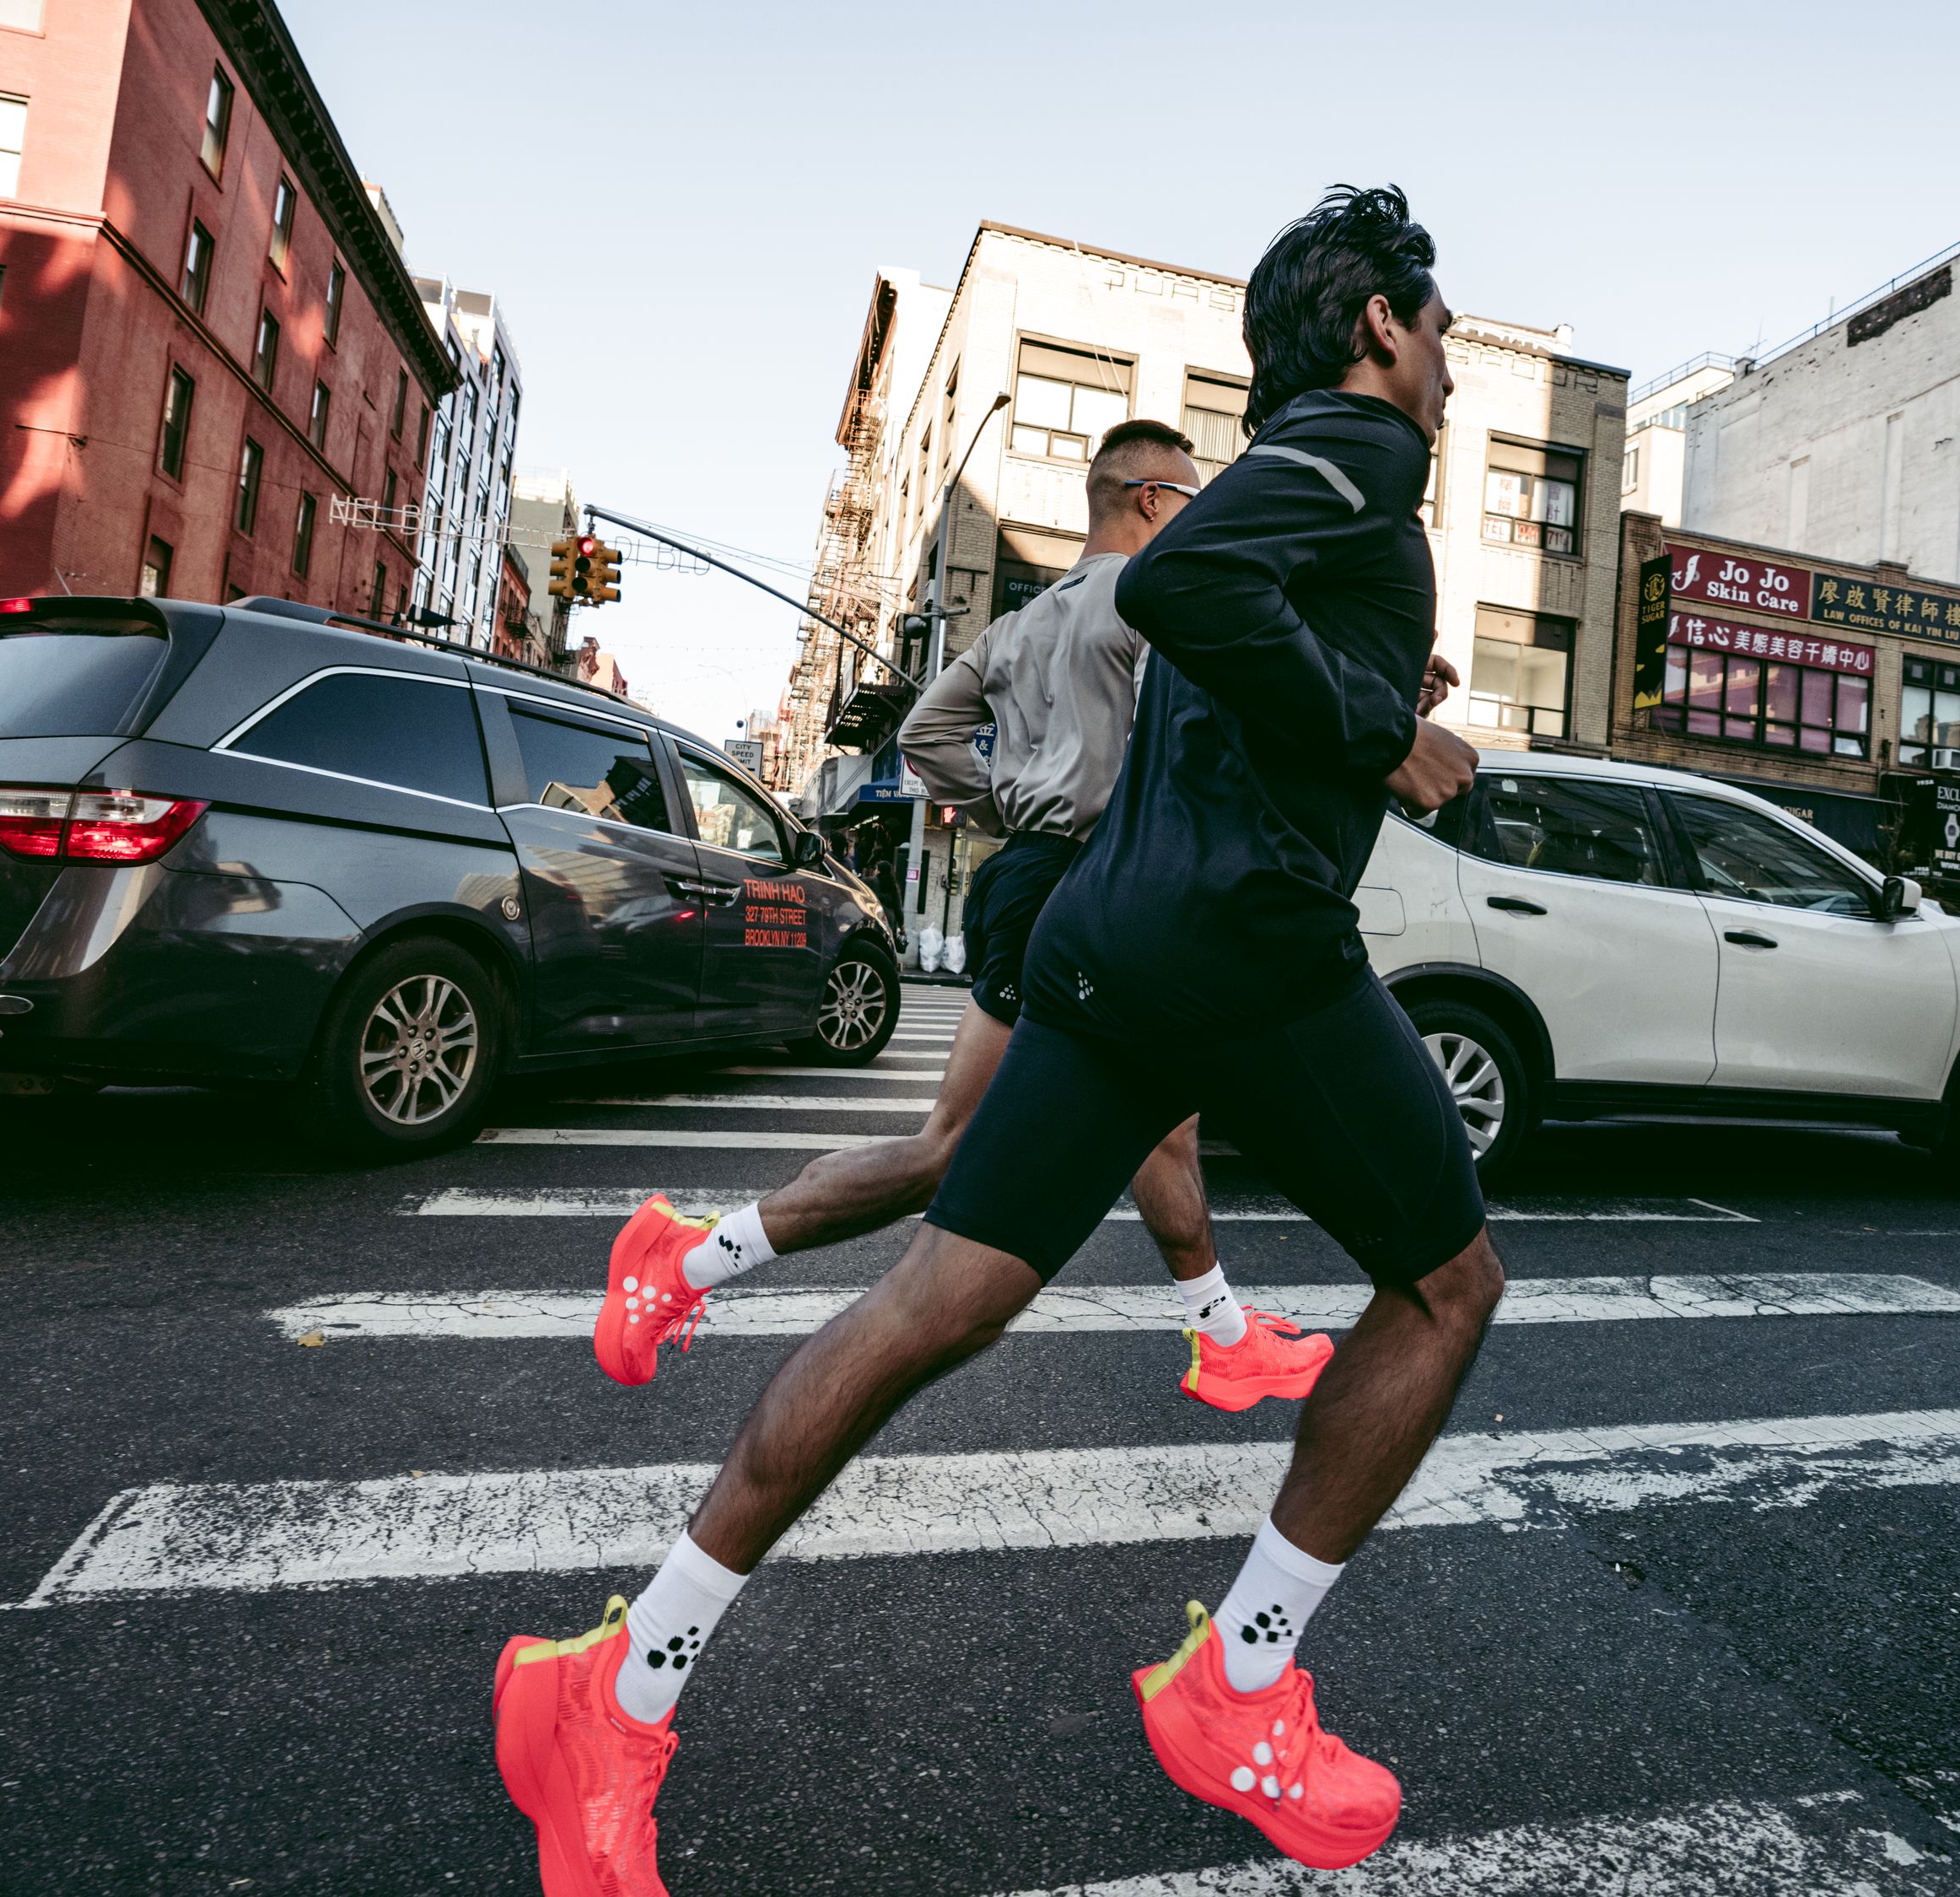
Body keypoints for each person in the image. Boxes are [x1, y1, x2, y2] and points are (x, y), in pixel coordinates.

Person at [495, 186, 1493, 1890]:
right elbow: (1185, 584)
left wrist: (1360, 712)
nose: (1453, 358)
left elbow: (1206, 636)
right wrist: (1366, 730)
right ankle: (1237, 1680)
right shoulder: (1359, 450)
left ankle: (616, 1676)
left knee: (935, 1299)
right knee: (1444, 1285)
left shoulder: (1290, 480)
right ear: (1376, 326)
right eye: (1439, 323)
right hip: (1239, 952)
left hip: (1116, 940)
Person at [594, 418, 1331, 1415]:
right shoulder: (1153, 603)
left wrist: (998, 809)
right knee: (995, 1147)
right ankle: (692, 1260)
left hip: (1028, 874)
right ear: (1154, 499)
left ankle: (1225, 1335)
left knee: (1136, 1126)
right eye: (1192, 502)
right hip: (1096, 884)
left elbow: (926, 732)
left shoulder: (1019, 625)